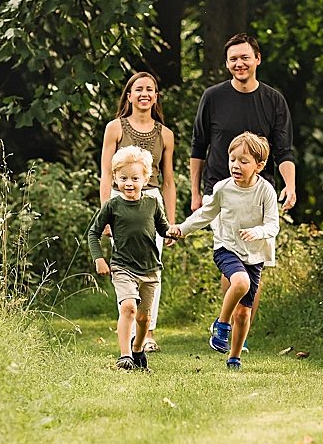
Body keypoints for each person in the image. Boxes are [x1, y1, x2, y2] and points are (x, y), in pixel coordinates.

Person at [188, 33, 296, 344]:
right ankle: (226, 328)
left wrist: (289, 185)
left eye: (245, 57)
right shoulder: (213, 97)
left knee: (255, 262)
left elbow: (284, 150)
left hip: (259, 193)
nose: (239, 63)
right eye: (233, 59)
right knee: (232, 261)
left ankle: (240, 332)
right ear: (227, 63)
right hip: (220, 191)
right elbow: (199, 147)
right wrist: (196, 193)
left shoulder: (273, 100)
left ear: (257, 59)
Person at [168, 132, 279, 370]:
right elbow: (204, 214)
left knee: (244, 314)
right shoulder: (222, 188)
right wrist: (182, 230)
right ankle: (221, 324)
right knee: (240, 283)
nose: (235, 165)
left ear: (259, 166)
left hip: (254, 254)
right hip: (226, 247)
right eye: (232, 159)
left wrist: (258, 232)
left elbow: (273, 225)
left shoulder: (266, 190)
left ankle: (234, 357)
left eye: (243, 161)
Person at [98, 71, 177, 351]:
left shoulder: (165, 134)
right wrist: (105, 212)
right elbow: (106, 174)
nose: (144, 94)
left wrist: (171, 221)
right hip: (120, 200)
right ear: (129, 95)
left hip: (152, 201)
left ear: (155, 97)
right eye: (139, 89)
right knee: (125, 264)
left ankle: (149, 332)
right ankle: (127, 325)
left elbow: (168, 181)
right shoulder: (115, 128)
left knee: (152, 266)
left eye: (150, 90)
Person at [87, 145, 171, 371]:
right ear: (115, 178)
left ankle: (138, 349)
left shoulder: (152, 204)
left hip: (150, 269)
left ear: (146, 178)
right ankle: (125, 356)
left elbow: (163, 228)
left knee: (143, 319)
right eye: (123, 178)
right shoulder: (113, 205)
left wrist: (173, 232)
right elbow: (93, 233)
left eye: (135, 178)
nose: (129, 183)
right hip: (122, 267)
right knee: (129, 308)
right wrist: (99, 258)